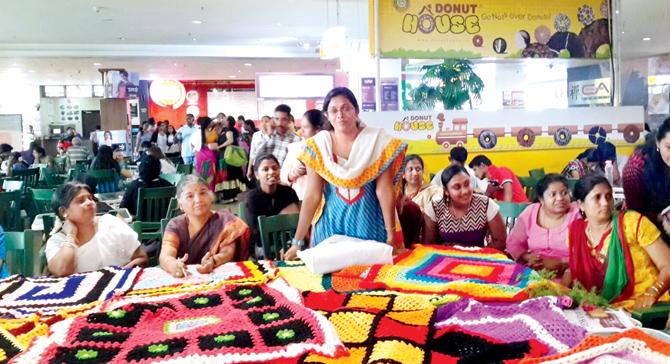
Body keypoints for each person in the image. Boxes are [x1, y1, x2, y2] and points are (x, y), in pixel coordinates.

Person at [284, 87, 407, 260]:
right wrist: (297, 241)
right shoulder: (317, 147)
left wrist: (391, 235)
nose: (340, 114)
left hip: (370, 225)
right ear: (327, 115)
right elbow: (312, 195)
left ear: (356, 111)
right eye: (333, 110)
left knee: (372, 281)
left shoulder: (377, 142)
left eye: (346, 108)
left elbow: (384, 191)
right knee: (328, 283)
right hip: (330, 228)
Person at [563, 175, 670, 311]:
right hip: (598, 306)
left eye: (608, 196)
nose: (605, 203)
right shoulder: (575, 231)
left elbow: (667, 265)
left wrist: (652, 293)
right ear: (581, 205)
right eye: (597, 197)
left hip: (642, 305)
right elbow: (574, 267)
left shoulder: (632, 223)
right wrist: (562, 288)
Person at [45, 182, 147, 276]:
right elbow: (62, 271)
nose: (90, 202)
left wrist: (117, 277)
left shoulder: (111, 224)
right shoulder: (57, 241)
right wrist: (71, 236)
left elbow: (141, 257)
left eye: (90, 198)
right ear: (63, 211)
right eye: (81, 201)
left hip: (119, 290)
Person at [160, 175, 250, 277]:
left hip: (219, 278)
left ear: (211, 197)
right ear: (180, 204)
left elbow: (228, 252)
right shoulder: (175, 226)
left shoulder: (225, 222)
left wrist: (213, 261)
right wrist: (173, 265)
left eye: (203, 193)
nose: (198, 200)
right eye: (190, 196)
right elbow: (166, 254)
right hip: (185, 279)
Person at [506, 174, 580, 276]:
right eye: (553, 194)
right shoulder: (530, 212)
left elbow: (586, 253)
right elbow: (514, 243)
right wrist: (526, 256)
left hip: (570, 274)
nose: (560, 198)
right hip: (534, 273)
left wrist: (561, 262)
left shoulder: (577, 215)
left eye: (564, 193)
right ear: (541, 199)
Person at [423, 164, 507, 250]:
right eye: (457, 187)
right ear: (447, 191)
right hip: (445, 260)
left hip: (478, 259)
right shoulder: (435, 208)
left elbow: (500, 241)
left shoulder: (485, 204)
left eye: (467, 184)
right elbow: (429, 245)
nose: (465, 191)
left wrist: (476, 255)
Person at [623, 117, 670, 244]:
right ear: (658, 143)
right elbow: (635, 215)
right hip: (644, 226)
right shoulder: (635, 169)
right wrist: (661, 218)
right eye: (669, 147)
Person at [243, 154, 300, 254]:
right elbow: (258, 236)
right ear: (257, 174)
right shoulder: (252, 199)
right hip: (264, 247)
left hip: (291, 243)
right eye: (265, 169)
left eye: (275, 168)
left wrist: (290, 244)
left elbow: (297, 224)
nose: (271, 172)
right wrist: (282, 218)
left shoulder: (289, 193)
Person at [280, 109, 326, 200]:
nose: (301, 131)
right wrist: (296, 171)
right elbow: (283, 176)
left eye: (305, 127)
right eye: (301, 127)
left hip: (327, 200)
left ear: (317, 129)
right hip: (301, 199)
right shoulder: (295, 148)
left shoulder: (330, 148)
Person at [214, 116, 244, 202]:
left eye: (224, 119)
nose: (222, 120)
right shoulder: (224, 130)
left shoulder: (229, 130)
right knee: (228, 175)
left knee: (229, 175)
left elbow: (230, 140)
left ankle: (231, 196)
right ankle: (231, 195)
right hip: (224, 155)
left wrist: (219, 146)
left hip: (228, 155)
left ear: (228, 122)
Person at [195, 116, 219, 192]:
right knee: (211, 173)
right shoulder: (213, 133)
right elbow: (217, 142)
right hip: (210, 154)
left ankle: (202, 191)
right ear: (208, 124)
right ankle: (211, 191)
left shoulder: (197, 133)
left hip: (199, 155)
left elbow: (192, 144)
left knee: (202, 173)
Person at [247, 115, 274, 180]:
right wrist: (249, 168)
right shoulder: (256, 135)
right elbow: (252, 153)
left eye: (266, 121)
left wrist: (268, 134)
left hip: (268, 164)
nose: (264, 123)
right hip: (257, 164)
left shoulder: (273, 135)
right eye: (262, 121)